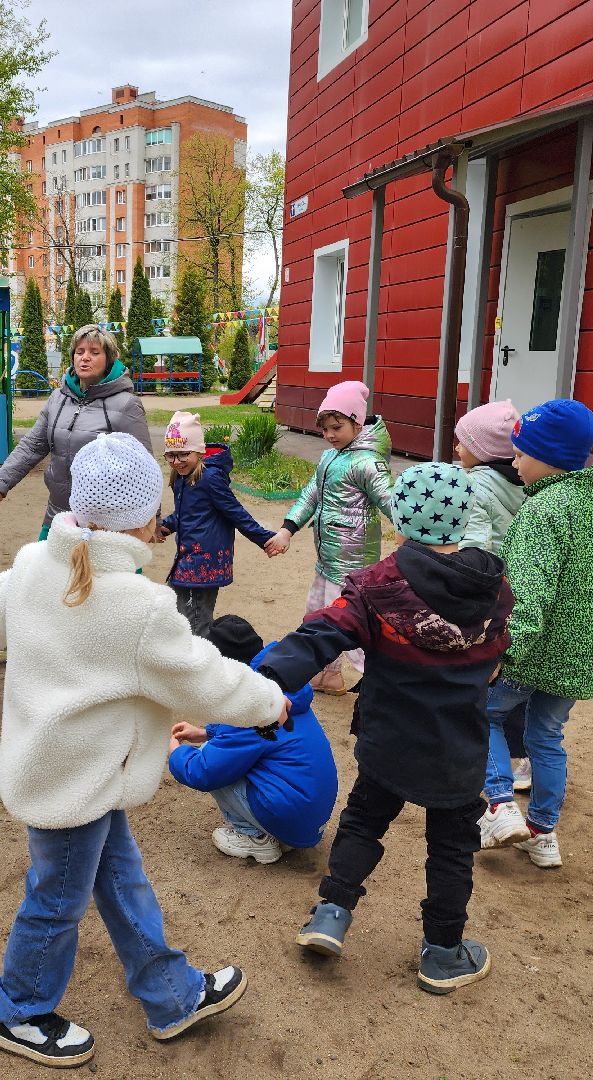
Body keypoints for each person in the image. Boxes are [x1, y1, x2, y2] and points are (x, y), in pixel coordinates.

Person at [0, 432, 288, 1069]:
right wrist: (270, 702)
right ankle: (19, 1009)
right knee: (55, 899)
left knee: (121, 882)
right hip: (76, 781)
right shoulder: (139, 606)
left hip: (71, 770)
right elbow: (203, 674)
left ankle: (170, 993)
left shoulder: (38, 562)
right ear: (147, 516)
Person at [257, 462, 514, 995]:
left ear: (399, 518)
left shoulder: (379, 587)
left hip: (388, 738)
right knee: (450, 847)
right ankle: (443, 953)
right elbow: (497, 653)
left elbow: (322, 633)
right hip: (458, 748)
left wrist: (269, 679)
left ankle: (331, 913)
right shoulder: (492, 587)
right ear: (463, 517)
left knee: (362, 822)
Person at [478, 400, 593, 870]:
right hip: (576, 652)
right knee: (546, 738)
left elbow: (530, 599)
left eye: (520, 454)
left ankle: (498, 806)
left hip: (532, 650)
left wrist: (503, 651)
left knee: (482, 713)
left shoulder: (541, 513)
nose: (513, 463)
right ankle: (542, 833)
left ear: (548, 455)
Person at [167, 614, 337, 865]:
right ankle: (282, 835)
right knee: (222, 750)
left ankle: (254, 838)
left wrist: (174, 751)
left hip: (292, 815)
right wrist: (208, 731)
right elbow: (259, 740)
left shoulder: (250, 708)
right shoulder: (279, 684)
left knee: (209, 757)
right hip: (307, 816)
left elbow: (203, 771)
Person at [266, 380, 393, 694]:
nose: (330, 435)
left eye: (337, 427)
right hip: (327, 558)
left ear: (357, 421)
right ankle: (329, 674)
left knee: (346, 623)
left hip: (352, 563)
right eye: (325, 430)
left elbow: (390, 501)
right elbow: (311, 495)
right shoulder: (329, 458)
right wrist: (287, 529)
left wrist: (414, 532)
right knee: (317, 613)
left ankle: (386, 684)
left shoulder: (367, 463)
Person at [0, 324, 152, 537]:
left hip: (107, 525)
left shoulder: (126, 404)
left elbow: (145, 467)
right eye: (80, 352)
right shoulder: (58, 399)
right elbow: (31, 447)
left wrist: (152, 518)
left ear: (109, 360)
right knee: (43, 570)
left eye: (94, 353)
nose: (85, 358)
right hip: (58, 517)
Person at [454, 399, 530, 792]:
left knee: (484, 683)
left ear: (482, 450)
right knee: (516, 680)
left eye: (463, 442)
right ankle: (522, 757)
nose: (456, 448)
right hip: (520, 590)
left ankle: (485, 761)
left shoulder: (473, 485)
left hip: (488, 594)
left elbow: (476, 548)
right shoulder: (526, 485)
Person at [155, 411, 278, 638]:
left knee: (196, 620)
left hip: (203, 563)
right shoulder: (182, 476)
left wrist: (265, 539)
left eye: (183, 454)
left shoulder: (209, 478)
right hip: (187, 558)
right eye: (170, 455)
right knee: (177, 610)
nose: (176, 461)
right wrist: (167, 525)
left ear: (199, 451)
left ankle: (199, 664)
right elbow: (187, 513)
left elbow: (235, 512)